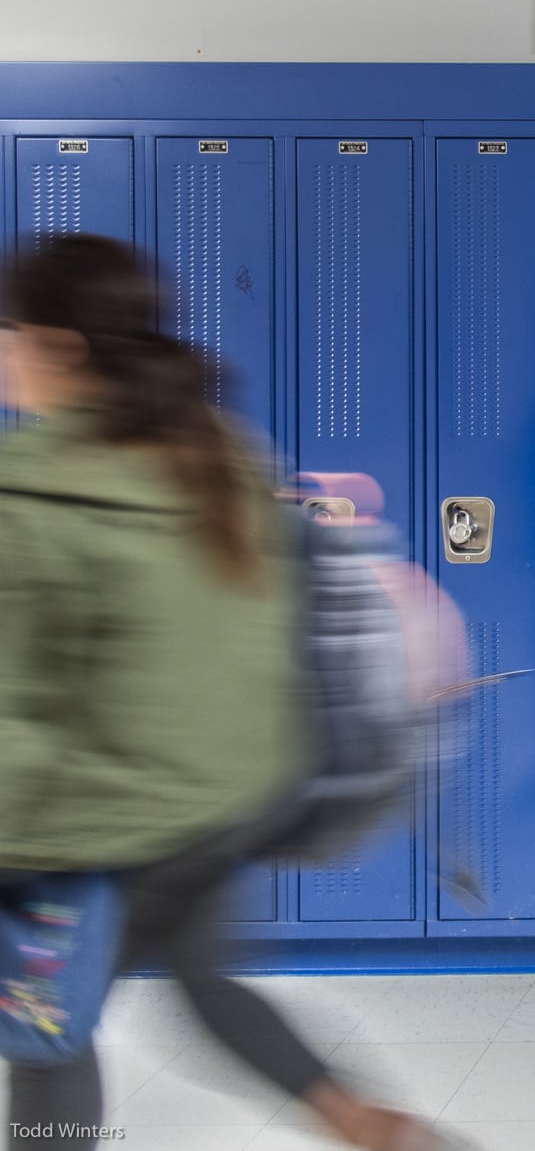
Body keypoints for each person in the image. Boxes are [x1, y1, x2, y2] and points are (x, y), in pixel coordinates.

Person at [0, 237, 454, 1151]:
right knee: (200, 980)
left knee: (46, 1024)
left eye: (8, 332)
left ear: (59, 348)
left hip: (102, 827)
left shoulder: (33, 497)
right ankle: (374, 1128)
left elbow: (15, 717)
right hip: (225, 802)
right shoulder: (215, 450)